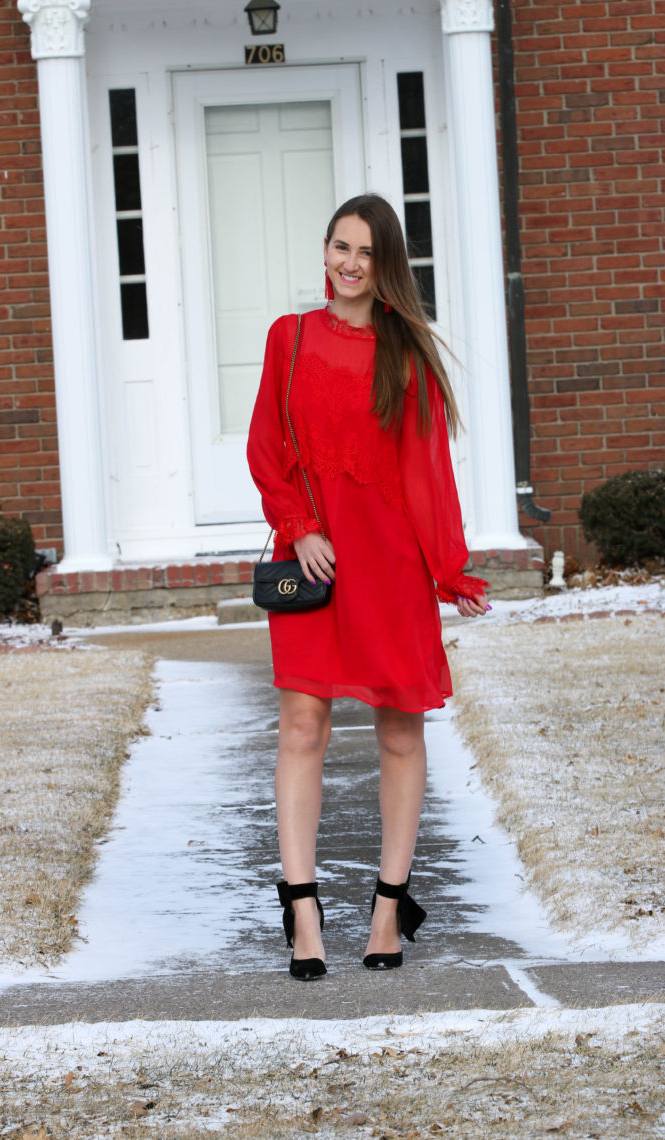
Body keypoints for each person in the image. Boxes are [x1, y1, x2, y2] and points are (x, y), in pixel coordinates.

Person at [246, 193, 489, 981]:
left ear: (386, 268)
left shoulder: (405, 355)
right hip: (314, 562)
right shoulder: (289, 340)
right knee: (301, 726)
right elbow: (266, 448)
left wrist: (449, 568)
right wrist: (299, 524)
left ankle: (389, 905)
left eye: (365, 253)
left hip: (389, 567)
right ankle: (303, 908)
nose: (348, 264)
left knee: (399, 730)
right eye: (339, 247)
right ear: (324, 251)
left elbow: (428, 478)